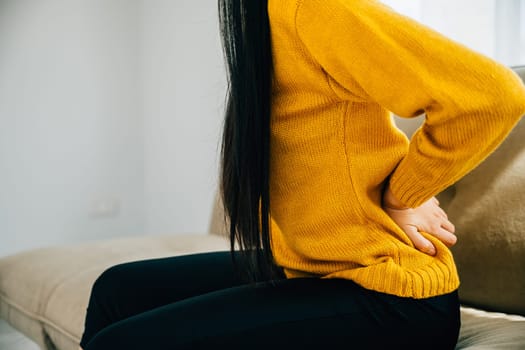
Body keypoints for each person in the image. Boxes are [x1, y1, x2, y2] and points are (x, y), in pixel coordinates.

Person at [79, 0, 525, 349]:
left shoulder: (317, 9)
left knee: (122, 344)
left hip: (394, 298)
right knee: (115, 290)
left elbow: (491, 95)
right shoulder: (263, 16)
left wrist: (403, 195)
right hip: (314, 269)